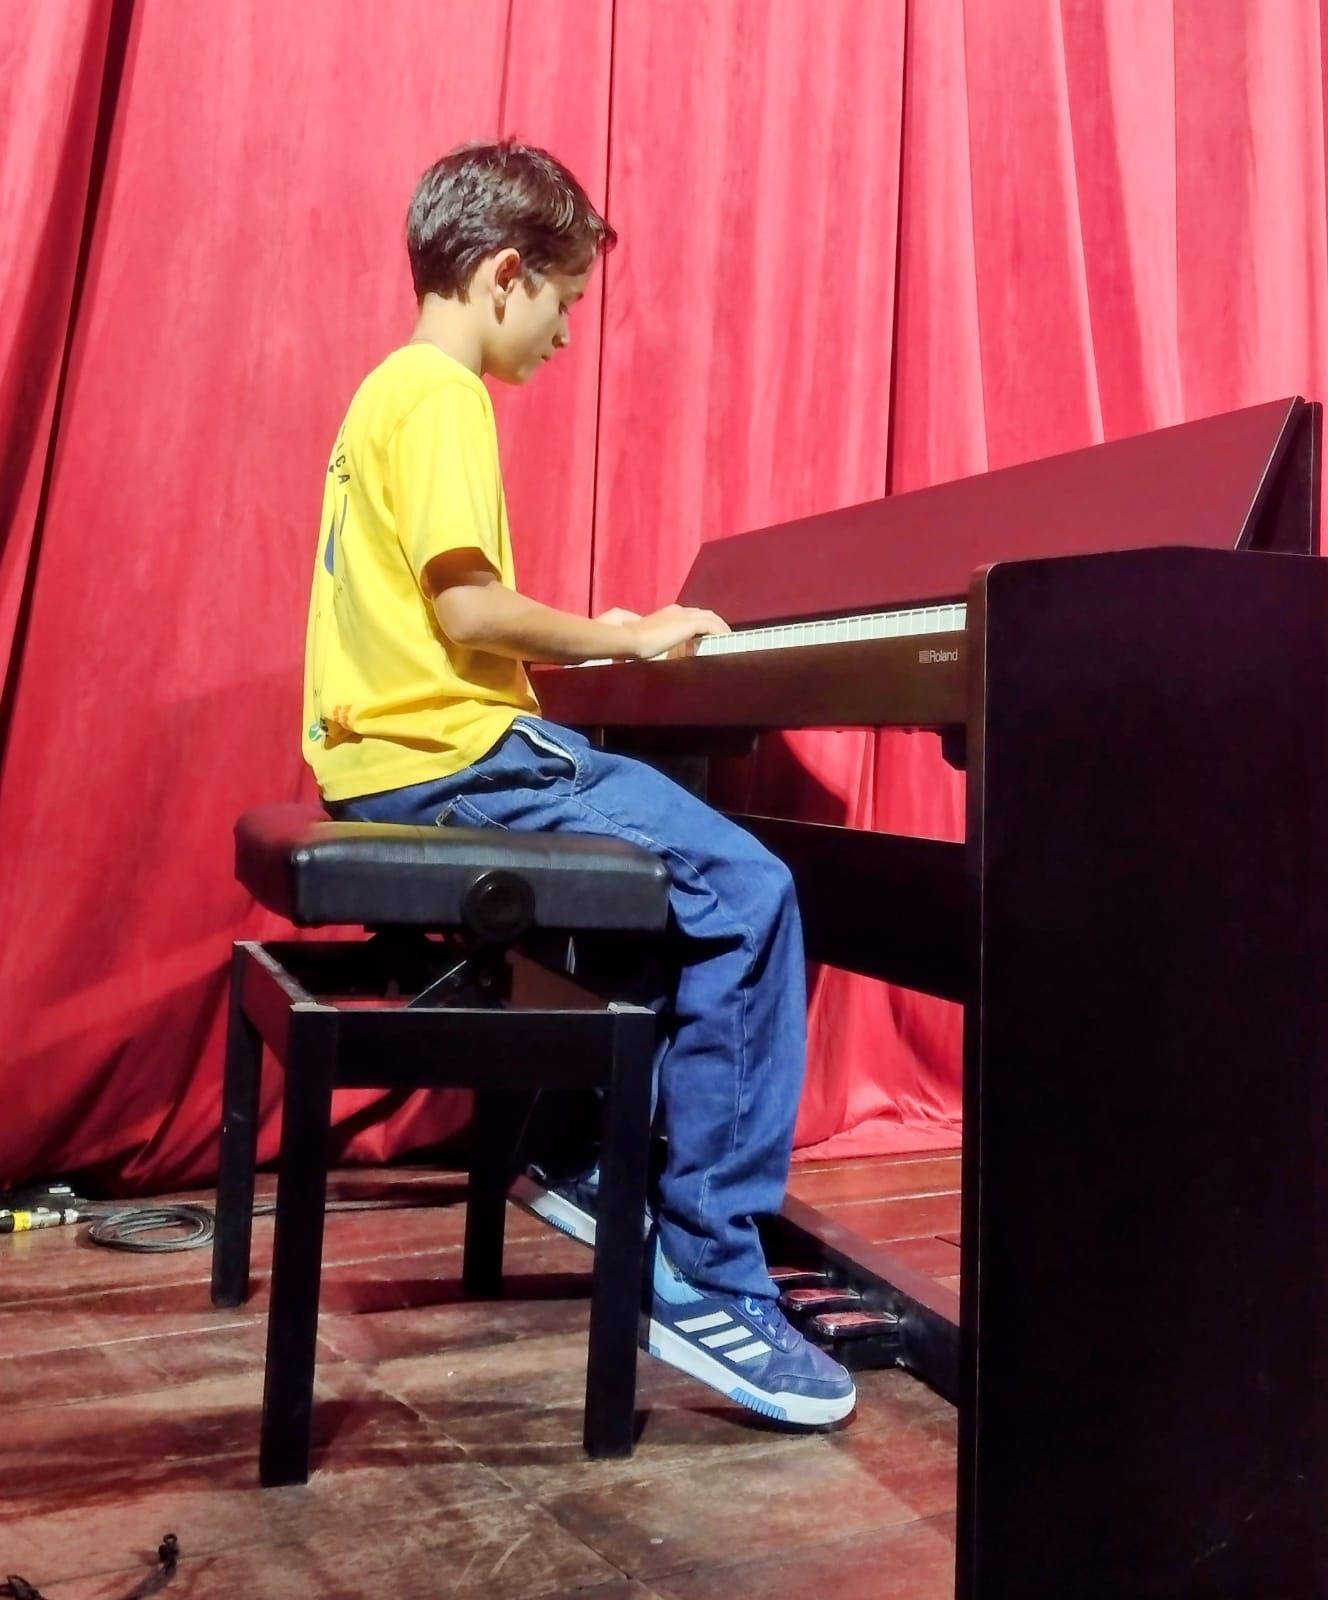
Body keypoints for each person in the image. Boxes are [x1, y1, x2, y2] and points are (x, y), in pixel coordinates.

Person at [302, 140, 855, 1428]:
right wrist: (635, 635)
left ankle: (579, 1156)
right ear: (505, 276)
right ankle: (709, 1276)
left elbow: (441, 612)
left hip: (382, 756)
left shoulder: (384, 392)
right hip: (452, 756)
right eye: (562, 303)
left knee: (660, 893)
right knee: (753, 891)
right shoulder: (442, 394)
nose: (563, 336)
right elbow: (470, 610)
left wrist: (590, 644)